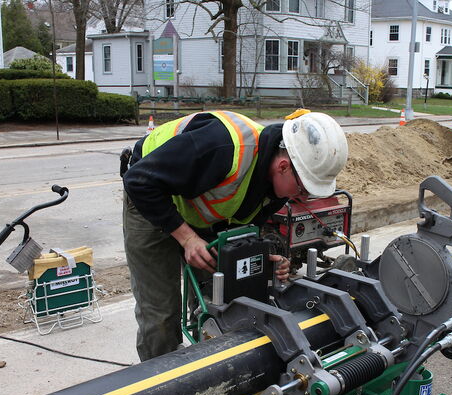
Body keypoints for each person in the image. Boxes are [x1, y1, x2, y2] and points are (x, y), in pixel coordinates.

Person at [121, 109, 348, 361]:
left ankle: (212, 364)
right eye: (304, 189)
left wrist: (265, 258)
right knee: (161, 313)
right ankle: (160, 386)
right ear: (283, 166)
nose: (302, 198)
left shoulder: (275, 188)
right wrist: (187, 238)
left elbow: (245, 228)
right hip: (150, 197)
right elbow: (139, 181)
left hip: (200, 212)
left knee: (218, 297)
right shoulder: (222, 147)